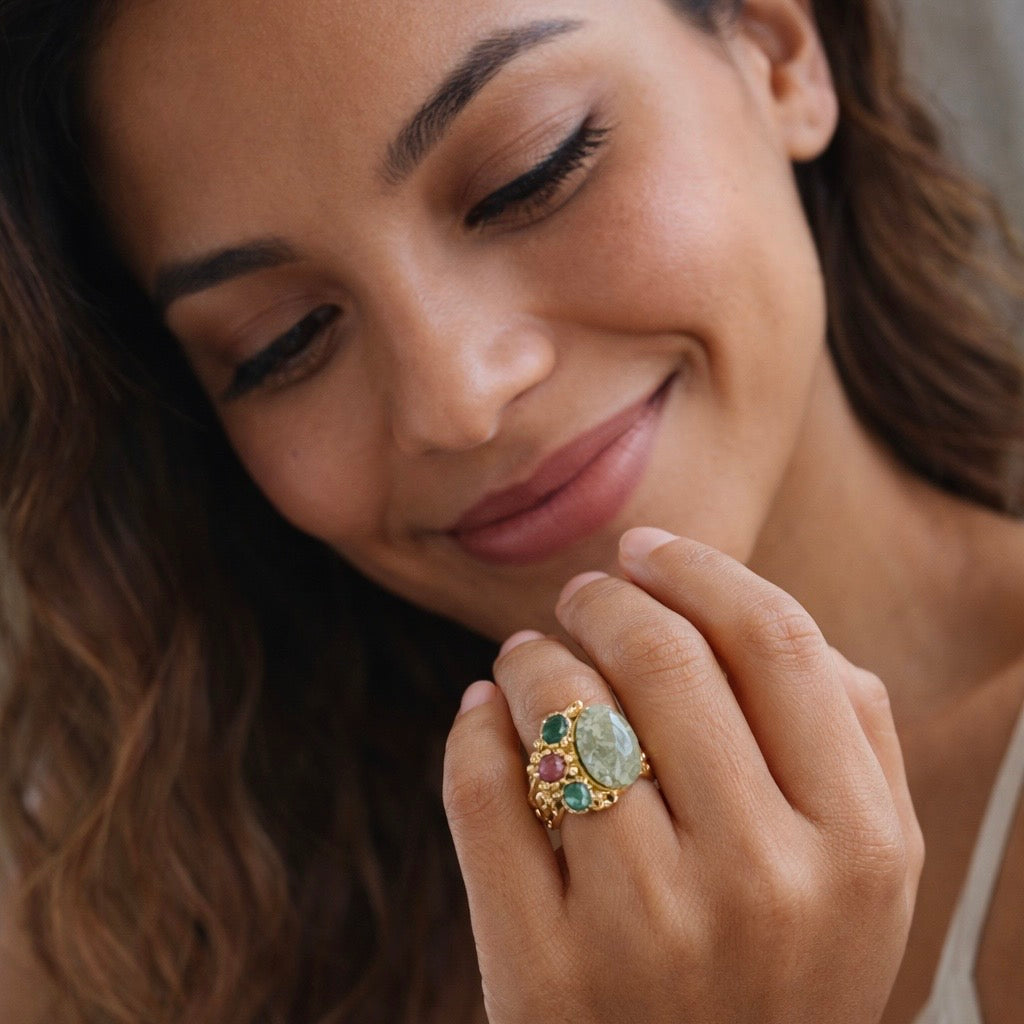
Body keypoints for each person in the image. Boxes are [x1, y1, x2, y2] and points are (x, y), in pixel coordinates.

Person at [1, 0, 1022, 1021]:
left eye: (532, 175)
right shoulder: (122, 926)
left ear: (775, 45)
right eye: (285, 339)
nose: (456, 401)